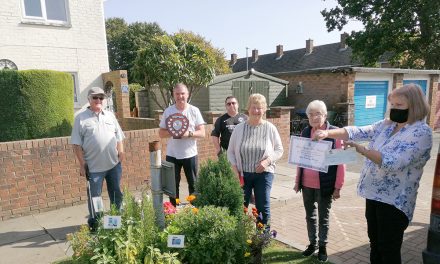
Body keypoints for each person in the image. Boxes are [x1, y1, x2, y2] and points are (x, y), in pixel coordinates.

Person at [313, 84, 432, 264]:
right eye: (392, 105)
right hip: (374, 195)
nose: (393, 109)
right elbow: (357, 131)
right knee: (375, 244)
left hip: (395, 201)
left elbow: (393, 163)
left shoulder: (421, 133)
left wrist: (362, 150)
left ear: (414, 105)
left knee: (388, 249)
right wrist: (327, 133)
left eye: (399, 105)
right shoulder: (387, 125)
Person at [293, 100, 345, 262]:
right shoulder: (305, 132)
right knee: (310, 216)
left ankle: (322, 247)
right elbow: (300, 159)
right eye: (311, 114)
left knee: (323, 218)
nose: (314, 117)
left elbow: (340, 163)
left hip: (326, 185)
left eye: (318, 114)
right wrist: (297, 181)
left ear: (325, 115)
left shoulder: (334, 133)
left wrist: (338, 187)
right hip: (307, 183)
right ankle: (312, 244)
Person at [71, 87, 125, 230]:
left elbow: (119, 136)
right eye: (95, 97)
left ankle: (115, 224)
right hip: (94, 169)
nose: (98, 100)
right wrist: (82, 164)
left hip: (113, 166)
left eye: (101, 98)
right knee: (96, 198)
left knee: (116, 195)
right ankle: (98, 224)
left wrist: (121, 152)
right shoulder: (81, 118)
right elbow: (76, 144)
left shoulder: (110, 116)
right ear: (89, 99)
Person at [227, 93, 283, 226]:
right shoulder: (239, 129)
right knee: (240, 206)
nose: (256, 111)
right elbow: (230, 152)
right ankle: (239, 236)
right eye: (254, 107)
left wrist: (267, 162)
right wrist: (234, 169)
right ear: (248, 108)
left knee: (263, 207)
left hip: (263, 174)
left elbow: (279, 150)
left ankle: (262, 238)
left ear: (264, 110)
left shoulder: (270, 128)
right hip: (243, 174)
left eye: (260, 108)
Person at [159, 83, 206, 206]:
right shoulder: (168, 111)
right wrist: (174, 131)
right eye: (177, 94)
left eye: (182, 93)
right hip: (172, 154)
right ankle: (173, 210)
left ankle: (195, 209)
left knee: (193, 183)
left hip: (190, 154)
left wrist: (188, 134)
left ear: (187, 94)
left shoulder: (194, 111)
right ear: (174, 95)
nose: (180, 96)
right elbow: (161, 133)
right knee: (173, 184)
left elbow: (202, 133)